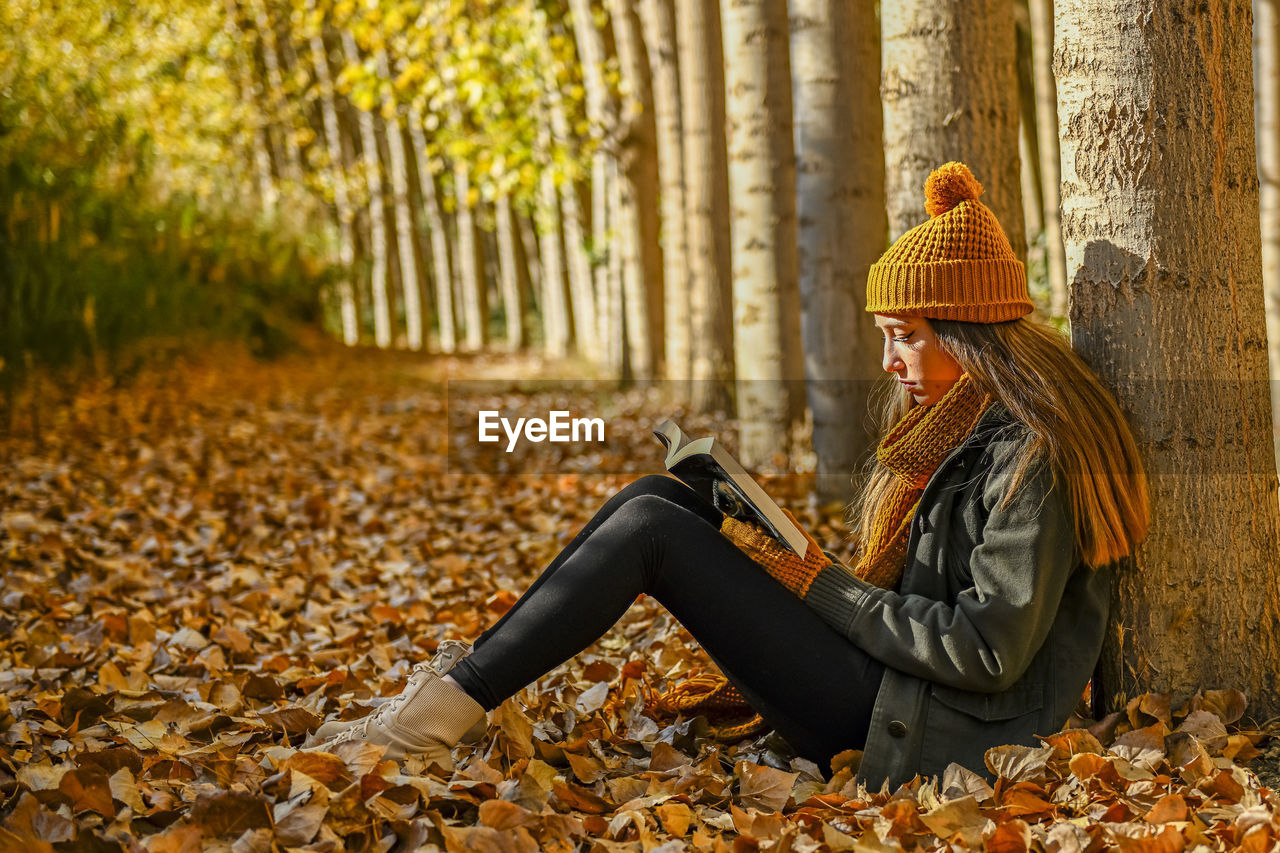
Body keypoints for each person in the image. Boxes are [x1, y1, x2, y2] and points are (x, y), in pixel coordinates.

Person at [305, 161, 1150, 789]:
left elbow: (987, 650)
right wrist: (788, 553)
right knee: (657, 496)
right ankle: (445, 697)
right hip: (894, 684)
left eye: (907, 335)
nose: (890, 361)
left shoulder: (1032, 452)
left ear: (971, 336)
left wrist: (817, 581)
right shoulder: (962, 426)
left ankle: (427, 721)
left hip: (922, 726)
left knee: (651, 533)